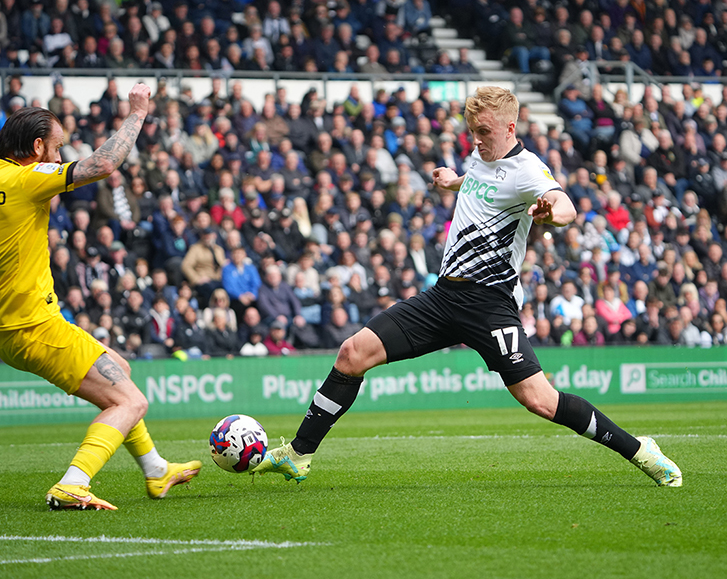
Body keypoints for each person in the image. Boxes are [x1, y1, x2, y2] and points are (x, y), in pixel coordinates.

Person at [252, 87, 682, 488]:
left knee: (541, 401)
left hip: (488, 305)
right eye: (472, 131)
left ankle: (641, 450)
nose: (476, 140)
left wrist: (552, 212)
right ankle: (299, 452)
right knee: (351, 353)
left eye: (484, 132)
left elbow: (563, 204)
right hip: (442, 298)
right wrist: (452, 180)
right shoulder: (479, 159)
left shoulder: (527, 169)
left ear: (510, 129)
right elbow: (478, 181)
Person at [0, 85, 201, 511]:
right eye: (56, 148)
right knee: (131, 400)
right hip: (35, 326)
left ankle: (155, 470)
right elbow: (104, 163)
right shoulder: (26, 177)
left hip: (5, 326)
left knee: (121, 369)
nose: (59, 157)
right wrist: (137, 112)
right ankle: (73, 482)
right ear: (37, 147)